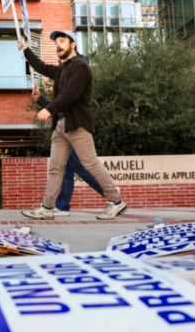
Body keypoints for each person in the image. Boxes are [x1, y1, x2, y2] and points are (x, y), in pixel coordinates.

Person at [17, 30, 125, 220]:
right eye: (56, 42)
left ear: (73, 44)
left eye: (62, 41)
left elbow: (70, 95)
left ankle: (115, 201)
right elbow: (41, 67)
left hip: (77, 125)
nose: (58, 45)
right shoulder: (62, 69)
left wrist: (49, 109)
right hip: (60, 127)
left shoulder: (81, 67)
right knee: (55, 167)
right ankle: (47, 207)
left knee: (91, 163)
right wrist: (26, 49)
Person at [32, 85, 107, 216]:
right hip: (65, 135)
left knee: (79, 168)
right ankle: (62, 205)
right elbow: (57, 109)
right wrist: (40, 99)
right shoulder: (67, 91)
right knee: (69, 170)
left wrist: (42, 100)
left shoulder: (74, 91)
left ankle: (110, 193)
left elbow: (59, 108)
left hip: (73, 133)